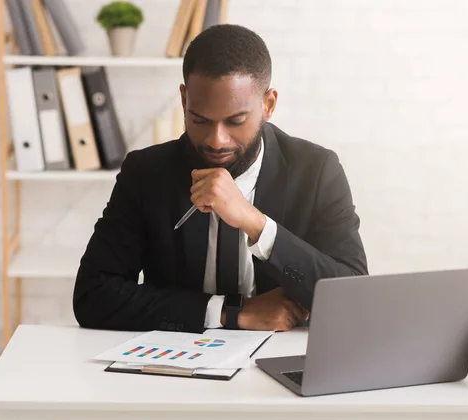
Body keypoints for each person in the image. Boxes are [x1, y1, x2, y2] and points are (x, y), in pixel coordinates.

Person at [73, 24, 368, 334]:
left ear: (268, 104)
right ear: (184, 99)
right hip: (178, 358)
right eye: (200, 120)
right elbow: (93, 295)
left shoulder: (317, 171)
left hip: (281, 354)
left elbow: (355, 298)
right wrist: (229, 313)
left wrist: (256, 224)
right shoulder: (146, 173)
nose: (216, 140)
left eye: (235, 121)